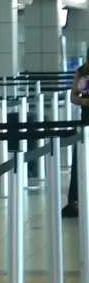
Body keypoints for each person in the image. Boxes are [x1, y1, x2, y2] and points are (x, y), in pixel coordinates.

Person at [63, 57, 89, 217]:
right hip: (87, 119)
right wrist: (85, 101)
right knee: (81, 160)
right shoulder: (82, 71)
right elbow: (74, 97)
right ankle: (75, 201)